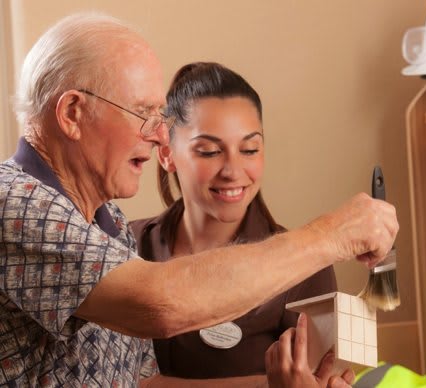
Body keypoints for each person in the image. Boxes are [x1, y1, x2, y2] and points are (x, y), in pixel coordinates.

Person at [0, 12, 398, 387]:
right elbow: (161, 304)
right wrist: (333, 234)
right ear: (72, 112)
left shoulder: (111, 225)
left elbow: (143, 381)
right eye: (142, 113)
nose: (158, 136)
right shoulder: (15, 206)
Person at [130, 62, 338, 381]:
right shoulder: (126, 244)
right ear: (167, 154)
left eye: (249, 149)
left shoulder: (306, 268)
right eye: (211, 151)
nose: (232, 170)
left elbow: (315, 380)